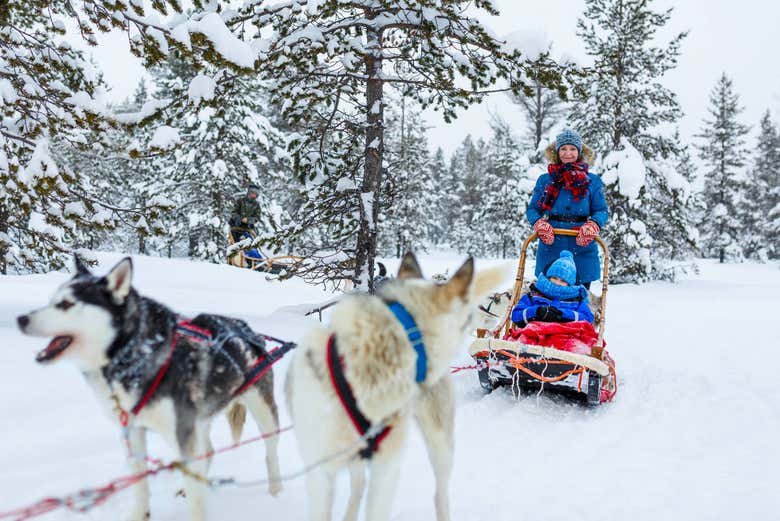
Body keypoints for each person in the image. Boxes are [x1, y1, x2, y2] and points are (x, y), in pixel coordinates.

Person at [526, 129, 608, 288]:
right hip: (552, 246)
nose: (568, 153)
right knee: (548, 297)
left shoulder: (593, 181)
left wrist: (593, 225)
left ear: (579, 152)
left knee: (579, 298)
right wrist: (540, 224)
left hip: (581, 246)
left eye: (572, 149)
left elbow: (601, 210)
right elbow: (532, 210)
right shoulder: (546, 180)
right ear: (557, 152)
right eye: (563, 149)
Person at [511, 250, 593, 328]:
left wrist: (562, 315)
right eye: (554, 278)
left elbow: (588, 319)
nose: (557, 282)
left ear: (569, 284)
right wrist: (537, 312)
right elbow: (516, 315)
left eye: (563, 281)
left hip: (566, 337)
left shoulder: (576, 301)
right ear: (548, 277)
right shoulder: (534, 295)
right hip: (534, 334)